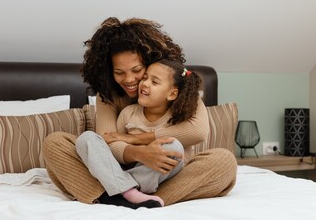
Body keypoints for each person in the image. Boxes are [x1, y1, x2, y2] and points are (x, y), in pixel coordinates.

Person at [42, 17, 237, 209]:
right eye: (119, 72)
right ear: (108, 72)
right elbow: (108, 142)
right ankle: (134, 196)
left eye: (137, 70)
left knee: (224, 161)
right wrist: (142, 153)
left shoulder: (179, 87)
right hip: (121, 169)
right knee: (55, 143)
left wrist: (138, 140)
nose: (130, 80)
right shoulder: (110, 97)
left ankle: (117, 196)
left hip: (169, 174)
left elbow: (197, 132)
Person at [76, 59, 200, 207]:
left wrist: (133, 139)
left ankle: (118, 190)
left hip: (161, 176)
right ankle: (130, 193)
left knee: (173, 146)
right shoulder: (128, 114)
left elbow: (196, 135)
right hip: (127, 168)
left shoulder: (178, 116)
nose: (145, 83)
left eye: (154, 82)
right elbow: (111, 148)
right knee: (86, 138)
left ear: (172, 94)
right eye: (145, 77)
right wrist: (139, 152)